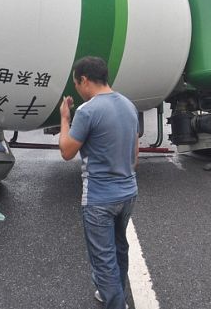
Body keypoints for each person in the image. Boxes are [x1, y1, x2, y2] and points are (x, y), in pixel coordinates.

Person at [59, 56, 138, 309]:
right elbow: (134, 156)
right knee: (119, 247)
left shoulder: (87, 110)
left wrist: (64, 118)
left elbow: (66, 151)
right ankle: (113, 295)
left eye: (76, 83)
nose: (77, 90)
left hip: (99, 198)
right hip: (128, 192)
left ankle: (115, 304)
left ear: (84, 80)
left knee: (103, 258)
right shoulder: (128, 105)